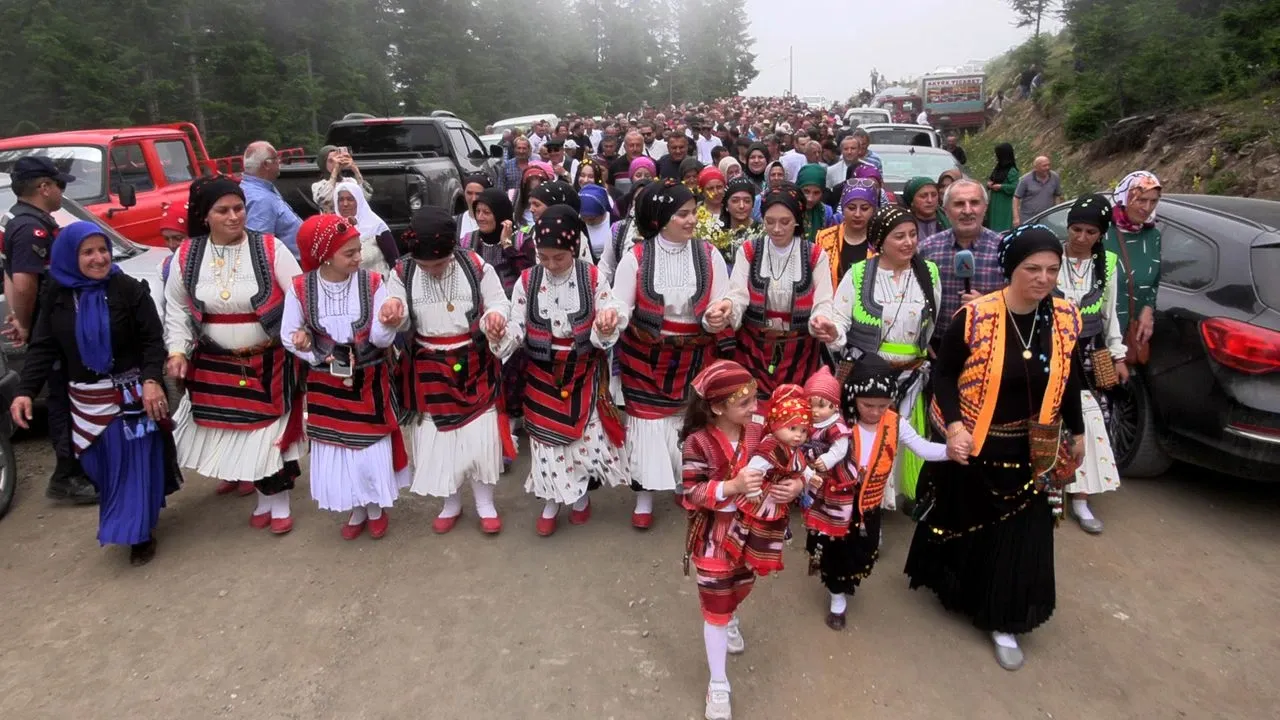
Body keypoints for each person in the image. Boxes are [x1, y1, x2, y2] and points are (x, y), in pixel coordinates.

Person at [906, 224, 1085, 672]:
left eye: (1051, 269)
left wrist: (1078, 432)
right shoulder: (976, 316)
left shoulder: (1065, 318)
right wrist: (952, 425)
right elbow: (943, 376)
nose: (1043, 279)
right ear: (1010, 269)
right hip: (977, 442)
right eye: (1032, 269)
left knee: (1020, 536)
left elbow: (1070, 378)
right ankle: (958, 590)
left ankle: (1003, 617)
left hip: (1034, 447)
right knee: (969, 523)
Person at [11, 221, 180, 565]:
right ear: (70, 257)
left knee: (128, 464)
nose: (99, 258)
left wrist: (151, 380)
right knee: (99, 466)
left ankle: (137, 533)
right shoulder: (57, 295)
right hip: (84, 402)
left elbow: (152, 341)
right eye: (88, 252)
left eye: (103, 249)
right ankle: (137, 514)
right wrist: (25, 391)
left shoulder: (128, 289)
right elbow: (43, 347)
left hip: (130, 397)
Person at [164, 177, 306, 533]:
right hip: (214, 362)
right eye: (222, 210)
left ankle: (279, 502)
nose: (233, 216)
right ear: (205, 216)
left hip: (268, 360)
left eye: (238, 208)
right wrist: (178, 350)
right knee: (239, 435)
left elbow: (300, 296)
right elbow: (177, 309)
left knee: (267, 435)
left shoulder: (271, 248)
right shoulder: (187, 254)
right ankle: (263, 498)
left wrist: (301, 332)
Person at [490, 206, 627, 535]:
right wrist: (500, 333)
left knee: (581, 439)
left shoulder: (593, 277)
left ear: (574, 249)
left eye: (559, 258)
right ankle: (551, 499)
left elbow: (609, 308)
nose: (550, 265)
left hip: (581, 371)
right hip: (541, 373)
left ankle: (579, 498)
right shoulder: (527, 280)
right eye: (544, 257)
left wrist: (607, 320)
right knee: (546, 442)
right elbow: (517, 325)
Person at [608, 181, 732, 529]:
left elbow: (722, 301)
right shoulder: (636, 258)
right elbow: (620, 304)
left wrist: (718, 314)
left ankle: (684, 484)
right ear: (661, 219)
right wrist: (609, 319)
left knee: (687, 423)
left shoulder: (709, 255)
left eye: (694, 212)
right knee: (647, 426)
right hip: (645, 355)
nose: (692, 219)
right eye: (683, 214)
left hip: (695, 355)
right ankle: (645, 494)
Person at [281, 214, 409, 540]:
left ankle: (376, 507)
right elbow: (289, 333)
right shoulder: (300, 288)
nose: (358, 258)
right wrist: (305, 348)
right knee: (338, 447)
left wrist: (387, 323)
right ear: (325, 254)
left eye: (357, 250)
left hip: (368, 378)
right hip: (326, 383)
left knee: (368, 445)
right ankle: (355, 508)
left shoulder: (373, 283)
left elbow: (381, 340)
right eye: (349, 253)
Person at [389, 207, 512, 535]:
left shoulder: (475, 265)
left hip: (474, 359)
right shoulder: (401, 271)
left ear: (452, 251)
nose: (431, 270)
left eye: (439, 264)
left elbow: (499, 303)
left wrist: (494, 320)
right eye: (424, 265)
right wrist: (392, 314)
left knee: (478, 438)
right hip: (427, 363)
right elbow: (397, 314)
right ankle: (451, 502)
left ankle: (485, 503)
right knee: (439, 440)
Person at [804, 355, 947, 630]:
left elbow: (923, 448)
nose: (874, 411)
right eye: (867, 404)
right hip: (835, 503)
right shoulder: (837, 423)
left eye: (882, 405)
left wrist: (952, 451)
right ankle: (836, 598)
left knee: (862, 551)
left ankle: (845, 584)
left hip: (869, 504)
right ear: (853, 397)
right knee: (833, 553)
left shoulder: (895, 423)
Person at [678, 360, 775, 720]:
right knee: (716, 606)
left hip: (752, 533)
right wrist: (732, 486)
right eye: (745, 403)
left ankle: (730, 614)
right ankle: (718, 683)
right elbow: (692, 491)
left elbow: (786, 457)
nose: (755, 408)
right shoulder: (697, 442)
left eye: (754, 399)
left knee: (741, 586)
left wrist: (794, 483)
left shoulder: (758, 430)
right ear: (717, 407)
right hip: (713, 538)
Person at [828, 206, 942, 509]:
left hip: (911, 375)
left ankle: (883, 502)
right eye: (899, 236)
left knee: (900, 436)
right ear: (880, 241)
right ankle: (862, 501)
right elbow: (840, 321)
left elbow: (931, 323)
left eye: (912, 235)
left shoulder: (928, 273)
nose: (908, 242)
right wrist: (831, 331)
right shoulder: (858, 274)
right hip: (868, 376)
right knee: (868, 440)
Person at [1, 156, 98, 503]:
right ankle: (67, 476)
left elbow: (10, 273)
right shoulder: (32, 228)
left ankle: (79, 468)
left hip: (49, 323)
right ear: (44, 187)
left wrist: (17, 316)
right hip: (52, 329)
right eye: (59, 185)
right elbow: (25, 281)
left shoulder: (17, 218)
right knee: (62, 400)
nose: (61, 191)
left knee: (66, 396)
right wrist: (25, 323)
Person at [1057, 194, 1127, 534]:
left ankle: (1082, 497)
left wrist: (1118, 353)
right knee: (1044, 418)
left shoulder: (1108, 264)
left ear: (1101, 234)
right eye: (1076, 229)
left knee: (1089, 421)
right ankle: (1047, 492)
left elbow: (1110, 313)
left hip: (1088, 353)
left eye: (1090, 232)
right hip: (1051, 348)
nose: (1081, 238)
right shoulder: (1050, 256)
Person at [727, 185, 835, 401]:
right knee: (752, 408)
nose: (776, 229)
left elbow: (823, 300)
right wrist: (728, 310)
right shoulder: (749, 250)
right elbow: (737, 295)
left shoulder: (814, 254)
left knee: (792, 413)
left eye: (785, 222)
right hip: (753, 347)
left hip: (800, 351)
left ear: (796, 220)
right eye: (769, 221)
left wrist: (821, 319)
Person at [918, 179, 1007, 339]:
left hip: (991, 343)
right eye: (959, 204)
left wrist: (988, 306)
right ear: (945, 210)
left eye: (974, 202)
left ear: (985, 208)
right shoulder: (926, 250)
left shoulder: (1005, 250)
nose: (967, 210)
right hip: (939, 345)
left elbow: (1021, 303)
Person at [1103, 171, 1163, 365]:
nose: (1147, 208)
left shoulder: (1152, 236)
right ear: (1125, 197)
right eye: (1141, 200)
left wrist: (1148, 309)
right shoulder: (1102, 233)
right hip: (1100, 334)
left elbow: (1154, 279)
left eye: (1153, 201)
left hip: (1131, 334)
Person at [240, 141, 302, 257]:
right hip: (291, 267)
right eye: (276, 158)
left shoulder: (261, 188)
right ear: (266, 165)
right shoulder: (261, 200)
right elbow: (262, 249)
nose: (279, 162)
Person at [814, 179, 878, 290]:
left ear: (873, 210)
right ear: (843, 209)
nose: (857, 214)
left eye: (864, 208)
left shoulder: (882, 240)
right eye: (851, 208)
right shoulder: (824, 238)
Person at [334, 180, 399, 275]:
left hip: (377, 286)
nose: (345, 204)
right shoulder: (332, 229)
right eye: (341, 200)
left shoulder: (376, 226)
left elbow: (394, 261)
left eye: (350, 199)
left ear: (359, 201)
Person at [311, 146, 372, 214]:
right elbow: (326, 199)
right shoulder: (318, 186)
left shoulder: (350, 181)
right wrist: (335, 169)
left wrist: (355, 169)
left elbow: (366, 198)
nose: (335, 162)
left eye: (338, 158)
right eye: (331, 161)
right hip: (332, 222)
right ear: (323, 163)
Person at [1012, 156, 1063, 226]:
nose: (1047, 168)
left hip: (1048, 217)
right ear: (1036, 168)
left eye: (1049, 165)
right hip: (1029, 218)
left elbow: (1057, 196)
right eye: (1044, 166)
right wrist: (1016, 218)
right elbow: (1016, 198)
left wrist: (1057, 213)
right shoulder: (1025, 180)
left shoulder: (1055, 177)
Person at [983, 143, 1020, 232]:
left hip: (1004, 205)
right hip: (994, 204)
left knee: (1002, 227)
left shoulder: (1012, 171)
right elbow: (992, 179)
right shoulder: (998, 168)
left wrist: (1002, 187)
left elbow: (1016, 187)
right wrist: (989, 184)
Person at [796, 164, 836, 242]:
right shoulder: (787, 209)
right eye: (806, 192)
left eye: (816, 193)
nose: (810, 199)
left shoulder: (826, 212)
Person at [579, 184, 615, 263]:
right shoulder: (578, 225)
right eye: (583, 217)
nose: (587, 221)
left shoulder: (615, 222)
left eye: (592, 219)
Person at [456, 172, 493, 239]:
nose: (474, 199)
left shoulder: (496, 222)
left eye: (478, 194)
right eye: (469, 193)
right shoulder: (456, 222)